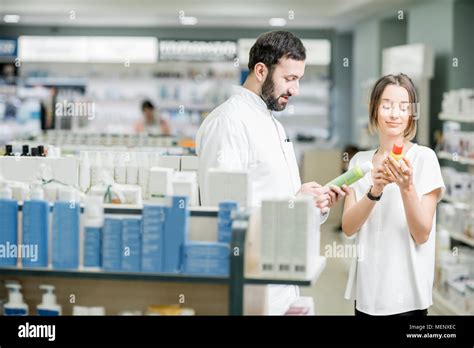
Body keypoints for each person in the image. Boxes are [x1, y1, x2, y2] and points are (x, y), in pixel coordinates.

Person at [196, 31, 349, 315]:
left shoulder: (272, 123)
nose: (296, 90)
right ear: (261, 70)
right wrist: (295, 204)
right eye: (289, 79)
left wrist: (313, 204)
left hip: (280, 280)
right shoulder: (229, 123)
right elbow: (225, 217)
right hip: (250, 286)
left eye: (299, 80)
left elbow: (279, 200)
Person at [342, 73, 445, 316]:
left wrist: (406, 187)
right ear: (374, 109)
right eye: (386, 105)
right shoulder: (360, 162)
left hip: (407, 297)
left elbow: (421, 234)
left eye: (403, 107)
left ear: (411, 114)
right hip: (367, 295)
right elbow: (348, 227)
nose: (394, 113)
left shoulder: (424, 159)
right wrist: (374, 192)